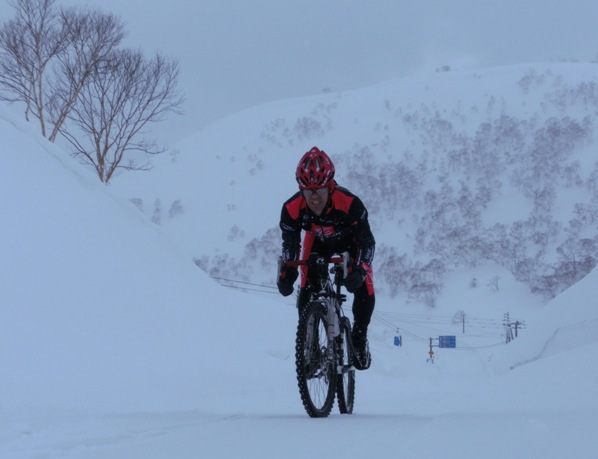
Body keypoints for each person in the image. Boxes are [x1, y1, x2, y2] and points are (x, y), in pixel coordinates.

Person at [277, 146, 376, 370]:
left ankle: (359, 337)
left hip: (350, 244)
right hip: (317, 242)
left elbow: (367, 243)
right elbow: (290, 245)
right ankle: (310, 347)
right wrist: (286, 274)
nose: (314, 198)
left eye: (319, 191)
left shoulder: (350, 204)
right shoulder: (291, 208)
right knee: (306, 290)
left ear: (330, 186)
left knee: (364, 289)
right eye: (307, 191)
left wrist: (360, 271)